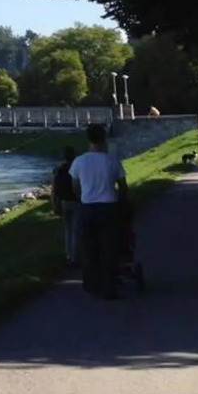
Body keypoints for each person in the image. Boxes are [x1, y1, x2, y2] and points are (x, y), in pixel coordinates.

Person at [69, 123, 129, 299]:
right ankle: (108, 288)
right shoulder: (111, 160)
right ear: (104, 139)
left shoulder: (79, 161)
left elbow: (75, 186)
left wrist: (83, 198)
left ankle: (91, 284)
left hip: (87, 208)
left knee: (89, 248)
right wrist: (121, 200)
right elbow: (123, 187)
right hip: (109, 207)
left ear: (88, 139)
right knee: (108, 249)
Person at [50, 146, 79, 263]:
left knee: (68, 230)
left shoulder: (58, 169)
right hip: (75, 201)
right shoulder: (76, 168)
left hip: (63, 201)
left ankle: (68, 255)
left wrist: (54, 203)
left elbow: (53, 189)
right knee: (75, 230)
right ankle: (75, 256)